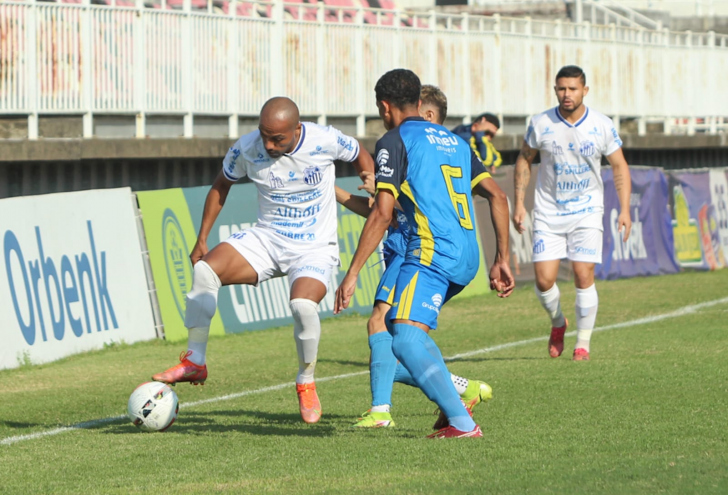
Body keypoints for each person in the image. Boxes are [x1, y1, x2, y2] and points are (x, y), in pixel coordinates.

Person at [151, 97, 374, 424]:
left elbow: (358, 152)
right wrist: (202, 237)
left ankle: (306, 381)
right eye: (264, 135)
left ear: (297, 129)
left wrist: (370, 178)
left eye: (277, 139)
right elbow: (220, 186)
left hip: (313, 246)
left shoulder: (323, 139)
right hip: (268, 237)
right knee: (205, 271)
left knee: (303, 306)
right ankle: (195, 360)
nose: (268, 144)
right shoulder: (247, 148)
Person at [335, 70, 514, 438]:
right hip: (467, 254)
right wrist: (503, 258)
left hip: (431, 251)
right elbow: (498, 195)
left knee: (403, 337)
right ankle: (455, 402)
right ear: (419, 101)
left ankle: (462, 422)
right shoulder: (457, 142)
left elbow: (382, 212)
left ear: (384, 107)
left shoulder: (393, 140)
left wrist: (352, 272)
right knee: (406, 329)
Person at [512, 65, 632, 361]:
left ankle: (583, 344)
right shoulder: (540, 123)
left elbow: (619, 165)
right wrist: (518, 203)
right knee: (543, 280)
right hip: (548, 211)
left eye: (573, 89)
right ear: (555, 90)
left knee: (582, 272)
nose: (567, 94)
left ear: (585, 91)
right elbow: (524, 160)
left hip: (588, 209)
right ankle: (558, 323)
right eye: (561, 89)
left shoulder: (601, 124)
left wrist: (625, 209)